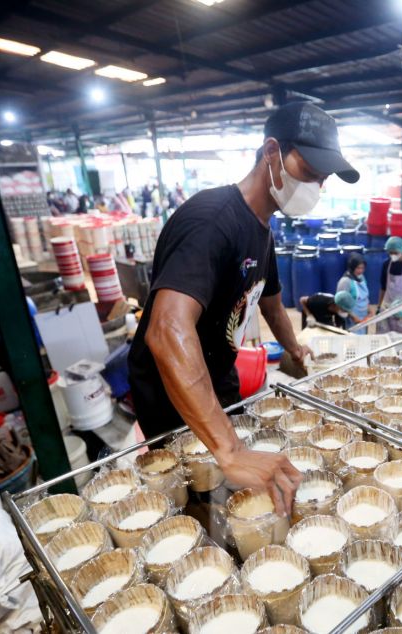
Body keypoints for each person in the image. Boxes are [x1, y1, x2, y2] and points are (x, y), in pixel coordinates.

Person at [128, 101, 358, 515]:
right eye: (308, 172)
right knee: (199, 497)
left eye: (322, 180)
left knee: (242, 491)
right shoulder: (212, 221)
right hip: (174, 395)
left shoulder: (262, 227)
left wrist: (293, 348)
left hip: (218, 377)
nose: (315, 188)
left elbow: (268, 299)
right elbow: (166, 330)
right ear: (272, 152)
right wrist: (229, 448)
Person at [335, 254, 369, 323]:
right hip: (352, 317)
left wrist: (368, 308)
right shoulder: (345, 281)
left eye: (363, 268)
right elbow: (341, 303)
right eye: (358, 268)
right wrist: (353, 317)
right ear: (352, 267)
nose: (361, 271)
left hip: (363, 314)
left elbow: (365, 296)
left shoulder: (361, 277)